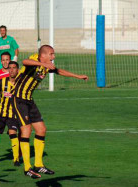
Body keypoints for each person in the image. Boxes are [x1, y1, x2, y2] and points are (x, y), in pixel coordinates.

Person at [12, 45, 88, 179]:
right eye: (51, 54)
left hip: (29, 99)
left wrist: (78, 76)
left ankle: (38, 164)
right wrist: (41, 63)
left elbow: (59, 71)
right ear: (44, 55)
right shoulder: (35, 59)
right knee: (26, 130)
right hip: (19, 99)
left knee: (41, 129)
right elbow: (25, 62)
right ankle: (27, 168)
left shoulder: (47, 65)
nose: (54, 57)